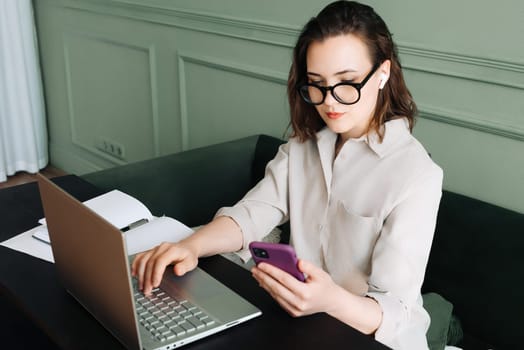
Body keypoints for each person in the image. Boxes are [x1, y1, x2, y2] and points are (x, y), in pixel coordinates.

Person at [132, 1, 443, 349]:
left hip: (368, 337)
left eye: (347, 82)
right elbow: (251, 214)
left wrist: (329, 300)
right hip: (300, 324)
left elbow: (394, 311)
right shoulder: (303, 148)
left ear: (383, 72)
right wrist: (190, 245)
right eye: (316, 84)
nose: (329, 102)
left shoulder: (417, 176)